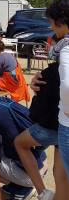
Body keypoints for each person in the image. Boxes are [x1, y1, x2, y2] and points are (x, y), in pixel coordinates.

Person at [0, 72, 47, 200]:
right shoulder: (5, 100)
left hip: (30, 174)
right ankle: (19, 184)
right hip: (40, 163)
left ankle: (22, 188)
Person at [15, 55, 66, 200]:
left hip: (52, 127)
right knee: (60, 172)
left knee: (20, 143)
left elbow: (38, 106)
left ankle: (43, 192)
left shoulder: (54, 70)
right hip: (60, 127)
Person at [45, 0, 69, 180]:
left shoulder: (65, 47)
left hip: (66, 122)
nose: (51, 27)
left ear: (61, 22)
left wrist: (67, 109)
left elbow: (67, 85)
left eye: (52, 23)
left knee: (62, 175)